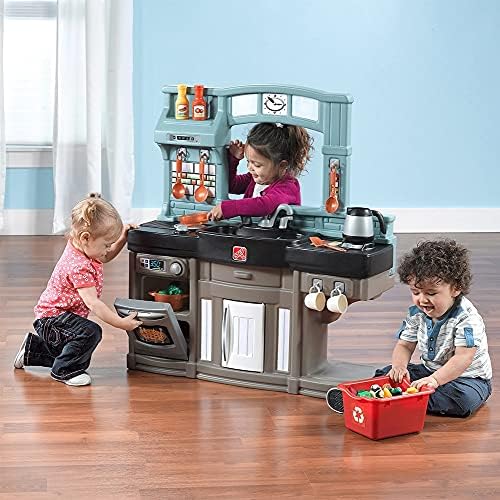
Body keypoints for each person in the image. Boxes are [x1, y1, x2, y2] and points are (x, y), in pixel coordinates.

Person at [327, 238, 492, 417]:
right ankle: (375, 397)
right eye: (415, 292)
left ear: (456, 288)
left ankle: (394, 400)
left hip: (467, 380)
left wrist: (435, 380)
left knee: (463, 401)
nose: (422, 299)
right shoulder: (417, 313)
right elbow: (405, 345)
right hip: (429, 370)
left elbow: (463, 358)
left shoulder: (467, 319)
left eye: (431, 293)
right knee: (387, 373)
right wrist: (399, 367)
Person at [13, 193, 142, 386]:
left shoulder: (82, 246)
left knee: (71, 348)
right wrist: (120, 323)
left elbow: (104, 257)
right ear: (86, 237)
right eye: (106, 244)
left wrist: (122, 238)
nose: (108, 249)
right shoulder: (78, 266)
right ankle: (64, 371)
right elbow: (93, 303)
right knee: (89, 333)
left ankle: (32, 350)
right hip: (52, 319)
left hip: (55, 317)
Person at [208, 122, 313, 221]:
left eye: (257, 165)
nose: (250, 168)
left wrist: (229, 208)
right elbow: (231, 185)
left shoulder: (288, 187)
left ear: (282, 165)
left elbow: (264, 205)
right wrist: (234, 160)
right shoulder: (253, 178)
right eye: (248, 161)